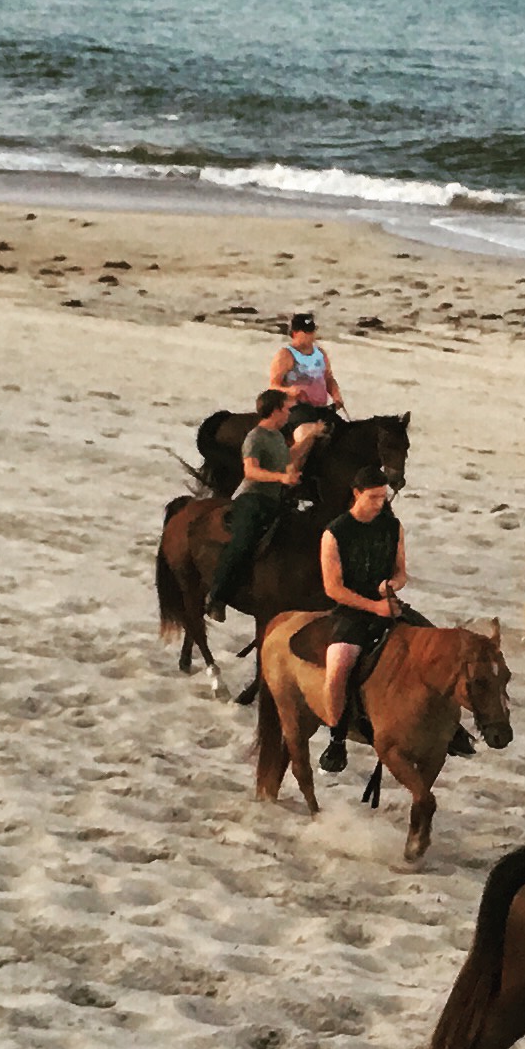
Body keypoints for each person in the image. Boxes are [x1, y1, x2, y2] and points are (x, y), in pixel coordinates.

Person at [314, 469, 407, 771]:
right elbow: (333, 588)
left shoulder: (393, 527)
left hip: (387, 604)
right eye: (374, 497)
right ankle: (336, 738)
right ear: (357, 494)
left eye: (383, 497)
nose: (380, 503)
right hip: (351, 609)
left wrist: (392, 586)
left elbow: (401, 572)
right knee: (340, 664)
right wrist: (373, 606)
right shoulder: (335, 533)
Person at [213, 389, 301, 612]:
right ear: (276, 410)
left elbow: (286, 459)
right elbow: (251, 471)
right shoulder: (255, 437)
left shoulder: (278, 437)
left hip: (274, 499)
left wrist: (310, 438)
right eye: (287, 409)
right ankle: (217, 595)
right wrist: (281, 477)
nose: (290, 414)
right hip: (252, 497)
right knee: (243, 541)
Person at [271, 312, 344, 474]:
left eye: (312, 331)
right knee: (306, 435)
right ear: (295, 333)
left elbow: (328, 378)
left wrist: (336, 395)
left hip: (320, 407)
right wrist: (289, 390)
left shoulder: (320, 354)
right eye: (306, 332)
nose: (310, 336)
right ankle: (292, 474)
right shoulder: (286, 355)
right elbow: (273, 385)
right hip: (296, 408)